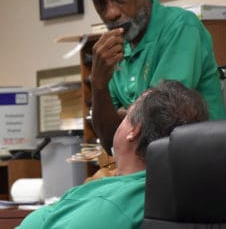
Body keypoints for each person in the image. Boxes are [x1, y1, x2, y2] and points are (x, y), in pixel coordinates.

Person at [17, 80, 208, 229]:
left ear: (135, 129)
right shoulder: (166, 188)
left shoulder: (115, 205)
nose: (120, 122)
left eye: (126, 116)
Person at [88, 0, 226, 153]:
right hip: (145, 167)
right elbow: (110, 141)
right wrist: (98, 86)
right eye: (100, 4)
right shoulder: (115, 50)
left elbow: (160, 122)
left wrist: (125, 117)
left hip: (197, 163)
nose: (111, 13)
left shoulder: (180, 27)